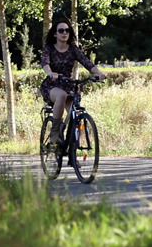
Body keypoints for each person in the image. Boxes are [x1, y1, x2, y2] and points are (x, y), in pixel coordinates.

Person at [40, 19, 106, 150]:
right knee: (62, 96)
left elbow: (86, 62)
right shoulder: (49, 49)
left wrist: (98, 73)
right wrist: (50, 73)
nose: (64, 33)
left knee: (75, 114)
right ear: (55, 34)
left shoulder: (73, 49)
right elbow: (45, 63)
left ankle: (73, 151)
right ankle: (54, 133)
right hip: (53, 84)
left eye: (67, 30)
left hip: (69, 84)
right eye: (61, 30)